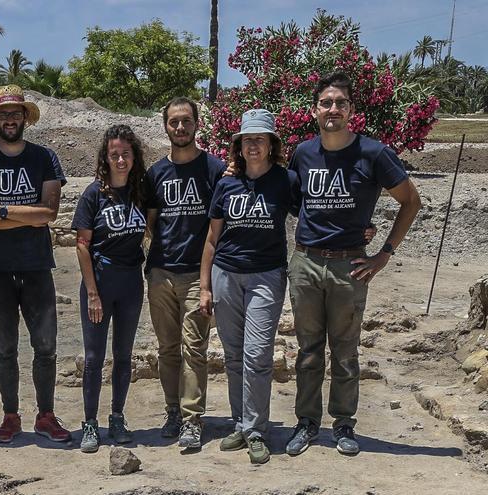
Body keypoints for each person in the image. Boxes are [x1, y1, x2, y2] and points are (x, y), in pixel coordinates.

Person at [284, 71, 422, 456]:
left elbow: (411, 202)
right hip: (307, 263)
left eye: (340, 103)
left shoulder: (373, 153)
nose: (333, 109)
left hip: (350, 268)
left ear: (351, 111)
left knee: (345, 351)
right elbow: (295, 202)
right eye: (326, 103)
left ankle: (343, 425)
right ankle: (307, 423)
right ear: (314, 110)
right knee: (308, 350)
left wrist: (384, 254)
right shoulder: (303, 153)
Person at [0, 85, 70, 443]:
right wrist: (25, 215)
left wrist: (3, 210)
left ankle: (46, 414)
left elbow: (49, 213)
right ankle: (11, 415)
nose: (10, 119)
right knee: (5, 347)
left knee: (46, 346)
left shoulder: (45, 158)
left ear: (25, 117)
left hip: (36, 265)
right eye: (3, 114)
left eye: (15, 113)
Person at [199, 109, 297, 464]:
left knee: (257, 355)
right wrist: (205, 286)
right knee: (234, 355)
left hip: (266, 276)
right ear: (238, 146)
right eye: (247, 140)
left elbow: (314, 213)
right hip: (226, 275)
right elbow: (211, 240)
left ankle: (257, 430)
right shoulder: (226, 184)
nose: (253, 146)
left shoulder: (286, 181)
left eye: (260, 139)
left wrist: (360, 228)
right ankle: (241, 423)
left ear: (272, 145)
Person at [145, 97, 226, 450]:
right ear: (165, 126)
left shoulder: (214, 168)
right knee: (167, 348)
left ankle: (193, 419)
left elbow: (221, 221)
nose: (180, 128)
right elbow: (148, 222)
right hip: (161, 272)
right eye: (173, 122)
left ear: (197, 124)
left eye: (186, 121)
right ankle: (172, 411)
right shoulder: (155, 173)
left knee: (195, 347)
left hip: (197, 275)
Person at [73, 124, 149, 453]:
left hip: (131, 282)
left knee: (123, 356)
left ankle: (117, 417)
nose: (120, 160)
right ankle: (90, 422)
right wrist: (92, 292)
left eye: (125, 154)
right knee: (93, 358)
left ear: (134, 157)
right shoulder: (94, 194)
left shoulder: (140, 192)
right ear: (106, 156)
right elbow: (81, 244)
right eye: (114, 154)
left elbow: (153, 230)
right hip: (100, 283)